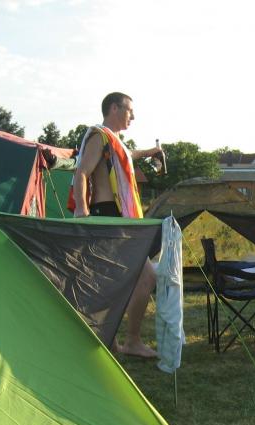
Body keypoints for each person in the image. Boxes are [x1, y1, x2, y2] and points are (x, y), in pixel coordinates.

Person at [72, 91, 164, 357]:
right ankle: (130, 341)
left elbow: (125, 154)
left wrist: (149, 152)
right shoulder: (98, 135)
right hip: (107, 214)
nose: (132, 116)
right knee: (143, 277)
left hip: (117, 215)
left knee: (118, 282)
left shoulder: (113, 141)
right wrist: (82, 211)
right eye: (129, 110)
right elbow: (82, 172)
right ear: (114, 108)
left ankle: (114, 342)